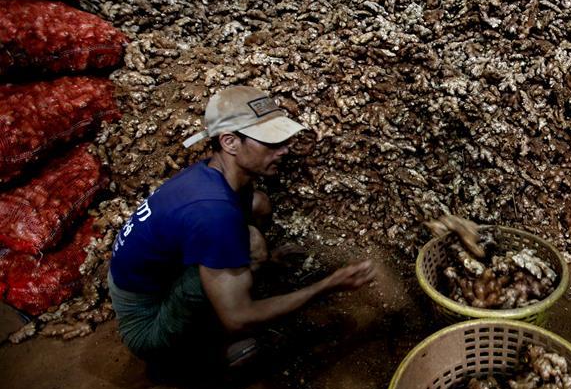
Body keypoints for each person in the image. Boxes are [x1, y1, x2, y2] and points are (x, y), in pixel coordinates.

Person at [107, 85, 375, 369]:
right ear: (230, 142)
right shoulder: (213, 211)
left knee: (257, 205)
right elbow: (239, 318)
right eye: (271, 143)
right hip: (148, 325)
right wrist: (326, 286)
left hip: (153, 281)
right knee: (241, 274)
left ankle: (234, 284)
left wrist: (264, 259)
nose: (284, 150)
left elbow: (247, 210)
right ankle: (208, 347)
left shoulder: (217, 175)